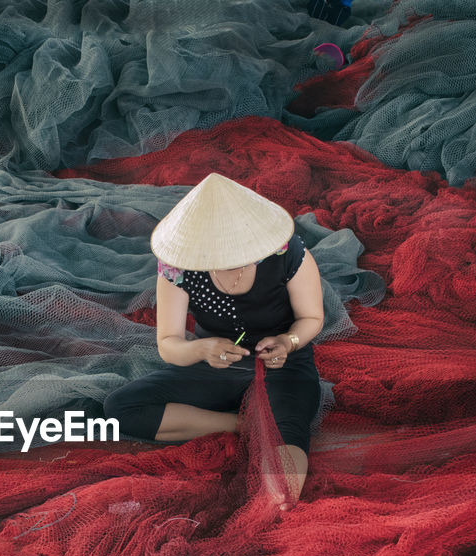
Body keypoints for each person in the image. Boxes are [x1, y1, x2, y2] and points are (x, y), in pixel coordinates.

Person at [104, 173, 325, 510]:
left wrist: (288, 341)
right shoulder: (177, 269)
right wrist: (202, 349)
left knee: (287, 429)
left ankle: (279, 499)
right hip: (220, 364)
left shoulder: (287, 252)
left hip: (283, 363)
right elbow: (169, 344)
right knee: (120, 408)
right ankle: (239, 424)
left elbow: (312, 319)